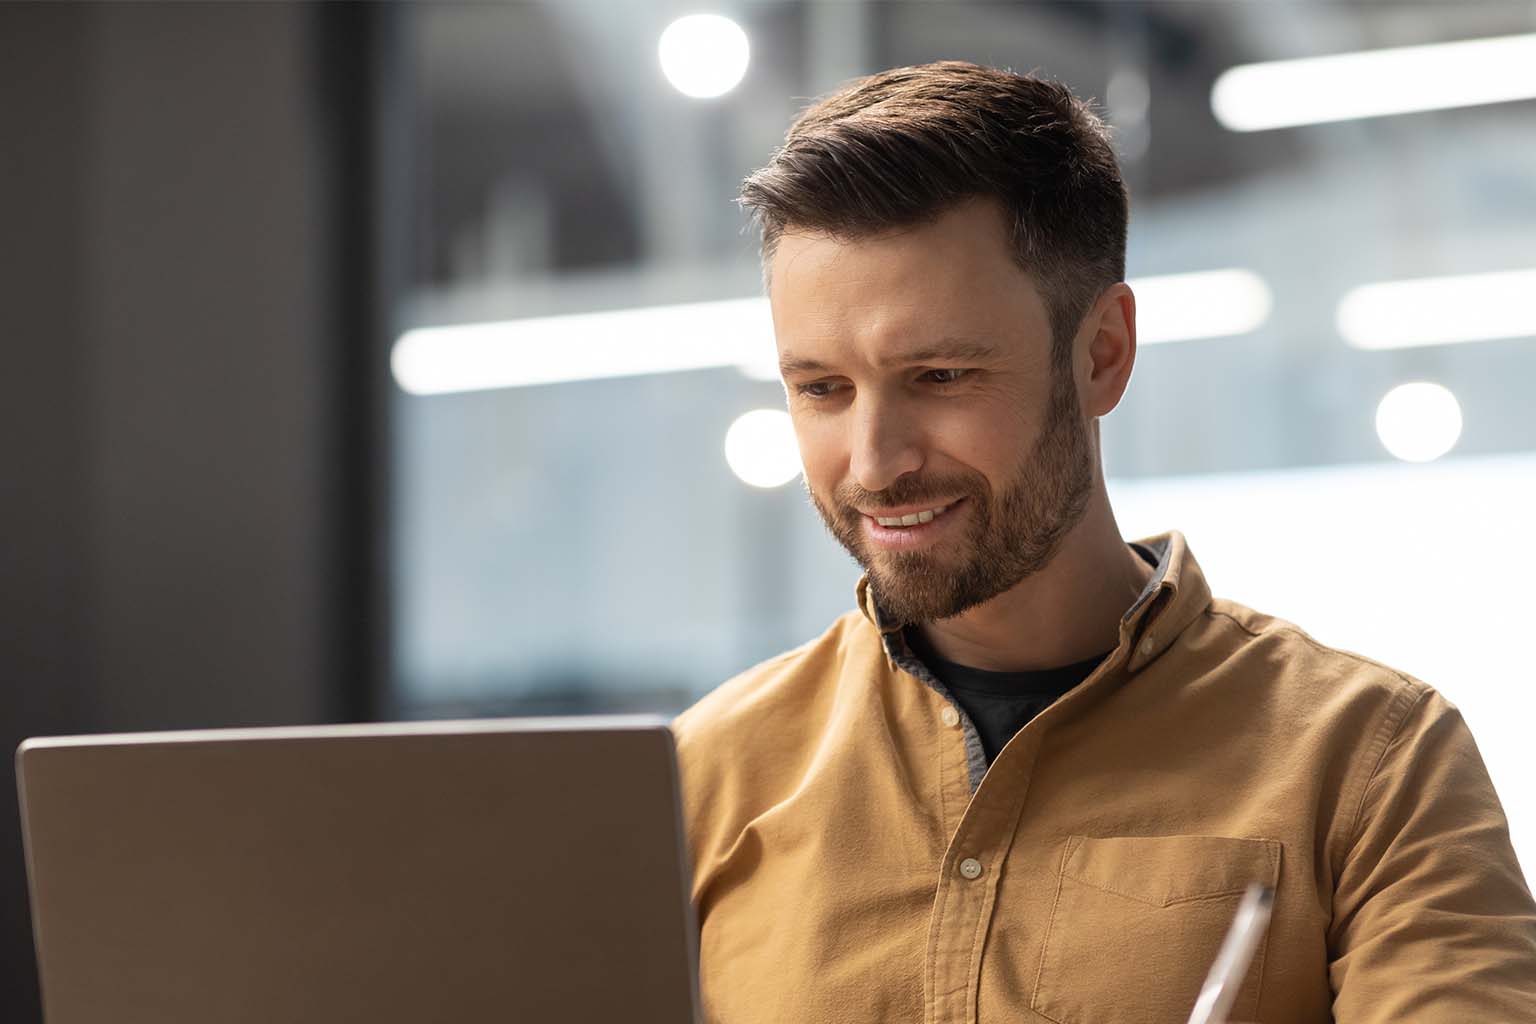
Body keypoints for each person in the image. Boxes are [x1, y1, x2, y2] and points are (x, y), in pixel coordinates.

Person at [670, 60, 1536, 1023]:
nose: (873, 463)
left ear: (1101, 355)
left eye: (943, 376)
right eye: (822, 389)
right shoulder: (699, 782)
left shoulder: (1369, 764)